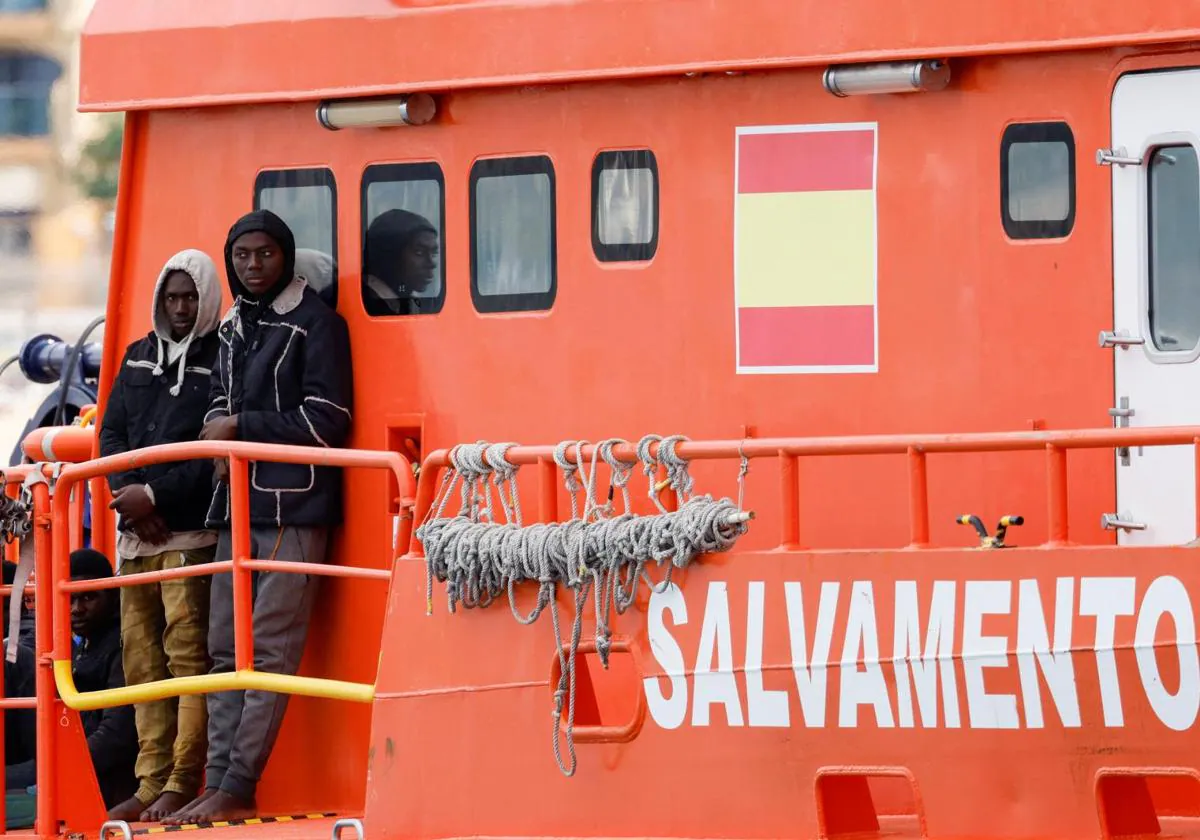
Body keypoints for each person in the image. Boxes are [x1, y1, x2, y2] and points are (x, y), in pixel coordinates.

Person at [165, 210, 353, 824]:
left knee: (269, 652)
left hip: (293, 507)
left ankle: (239, 782)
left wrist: (241, 429)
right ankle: (216, 781)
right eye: (241, 255)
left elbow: (328, 420)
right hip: (234, 511)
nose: (252, 265)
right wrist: (221, 433)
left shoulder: (317, 325)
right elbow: (220, 403)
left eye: (265, 254)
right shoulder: (231, 328)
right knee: (223, 650)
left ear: (286, 257)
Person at [98, 249, 223, 822]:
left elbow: (209, 452)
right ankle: (149, 781)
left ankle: (182, 778)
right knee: (142, 660)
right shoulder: (136, 358)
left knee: (186, 657)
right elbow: (112, 434)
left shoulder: (223, 357)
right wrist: (130, 499)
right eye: (171, 297)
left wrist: (158, 498)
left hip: (189, 534)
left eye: (189, 297)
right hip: (136, 538)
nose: (179, 307)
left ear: (206, 299)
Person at [6, 550, 138, 809]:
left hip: (91, 776)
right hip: (65, 758)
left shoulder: (123, 645)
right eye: (70, 599)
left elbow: (117, 735)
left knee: (11, 655)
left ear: (112, 596)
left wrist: (56, 766)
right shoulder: (79, 645)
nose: (77, 609)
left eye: (89, 597)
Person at [362, 209, 440, 315]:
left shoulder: (405, 302)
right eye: (419, 252)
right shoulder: (369, 306)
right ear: (390, 255)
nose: (432, 263)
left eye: (434, 253)